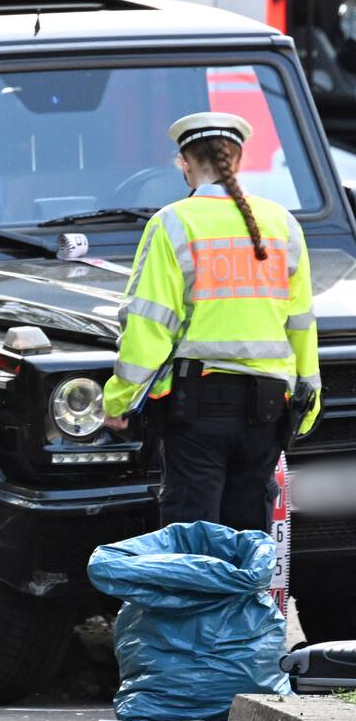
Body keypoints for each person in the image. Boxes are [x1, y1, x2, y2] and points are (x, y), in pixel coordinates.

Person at [102, 111, 321, 532]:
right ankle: (245, 600)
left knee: (194, 536)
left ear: (184, 163)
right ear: (237, 161)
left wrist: (120, 400)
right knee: (248, 535)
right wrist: (309, 395)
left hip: (196, 409)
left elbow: (150, 323)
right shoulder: (283, 225)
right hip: (269, 409)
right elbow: (300, 323)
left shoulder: (173, 223)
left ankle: (205, 601)